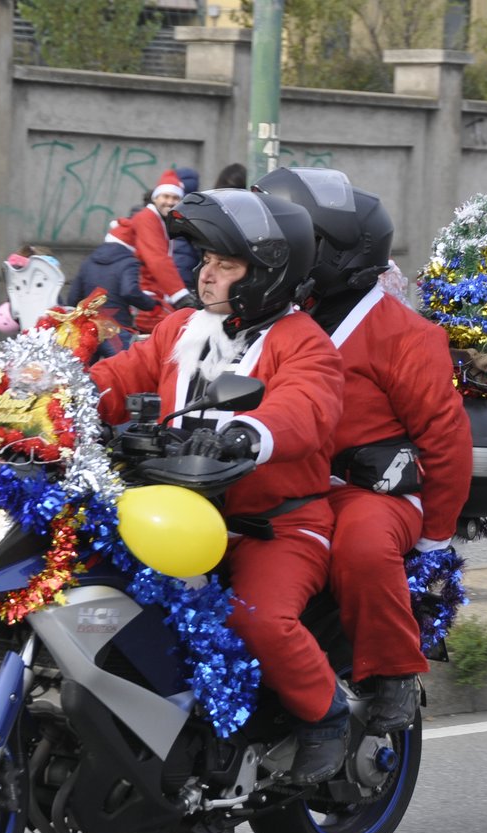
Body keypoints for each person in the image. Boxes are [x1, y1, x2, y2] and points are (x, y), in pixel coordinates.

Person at [86, 188, 351, 784]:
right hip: (171, 514)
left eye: (224, 265)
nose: (206, 275)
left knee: (260, 621)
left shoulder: (302, 341)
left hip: (272, 524)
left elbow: (305, 407)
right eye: (205, 261)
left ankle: (326, 715)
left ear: (266, 274)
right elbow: (118, 377)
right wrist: (52, 394)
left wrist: (248, 433)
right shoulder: (180, 328)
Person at [254, 166, 473, 734]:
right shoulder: (273, 315)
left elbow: (446, 437)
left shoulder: (404, 334)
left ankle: (392, 673)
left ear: (337, 252)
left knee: (362, 547)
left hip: (364, 491)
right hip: (278, 481)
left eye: (301, 239)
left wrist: (435, 539)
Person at [106, 169, 196, 335]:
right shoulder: (148, 219)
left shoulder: (157, 219)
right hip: (138, 296)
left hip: (137, 293)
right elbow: (158, 260)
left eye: (175, 198)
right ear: (156, 198)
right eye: (166, 197)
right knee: (179, 326)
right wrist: (181, 297)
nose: (170, 202)